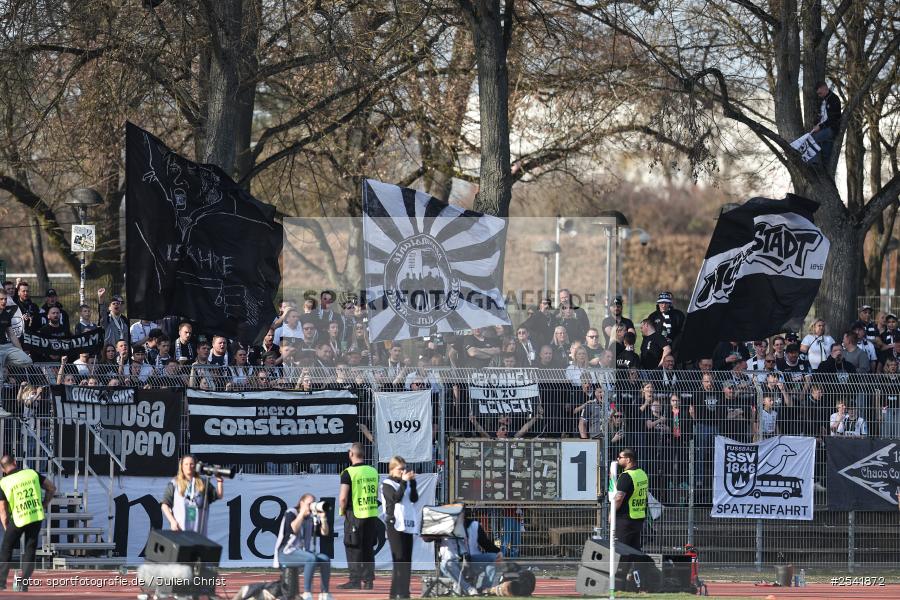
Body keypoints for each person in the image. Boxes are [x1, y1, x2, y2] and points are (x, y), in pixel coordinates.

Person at [0, 454, 56, 591]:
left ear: (3, 469)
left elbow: (3, 508)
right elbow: (51, 488)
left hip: (18, 518)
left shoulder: (4, 482)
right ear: (15, 462)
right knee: (30, 549)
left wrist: (7, 526)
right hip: (35, 515)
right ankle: (23, 584)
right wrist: (44, 504)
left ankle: (1, 583)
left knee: (7, 547)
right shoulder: (32, 473)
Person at [273, 493, 333, 600]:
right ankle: (307, 593)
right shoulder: (291, 513)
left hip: (301, 553)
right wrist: (301, 513)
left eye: (313, 504)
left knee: (325, 559)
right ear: (301, 503)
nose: (311, 506)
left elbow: (325, 533)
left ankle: (325, 594)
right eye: (309, 504)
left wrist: (323, 519)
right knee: (311, 558)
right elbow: (294, 529)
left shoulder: (311, 517)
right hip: (285, 553)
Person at [338, 442, 379, 590]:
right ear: (364, 454)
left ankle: (354, 580)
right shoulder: (373, 471)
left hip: (355, 514)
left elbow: (343, 498)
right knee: (368, 548)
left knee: (353, 547)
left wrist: (342, 512)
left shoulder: (348, 472)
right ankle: (368, 581)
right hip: (371, 513)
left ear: (351, 454)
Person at [439, 510, 502, 596]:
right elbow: (427, 539)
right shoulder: (443, 526)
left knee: (494, 557)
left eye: (460, 512)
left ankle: (484, 589)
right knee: (446, 564)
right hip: (452, 561)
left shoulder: (474, 525)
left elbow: (485, 544)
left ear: (464, 513)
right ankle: (469, 588)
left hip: (472, 559)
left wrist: (498, 552)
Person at [382, 457, 419, 600]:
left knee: (407, 560)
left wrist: (413, 483)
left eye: (405, 468)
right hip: (394, 525)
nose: (403, 471)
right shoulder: (387, 483)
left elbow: (414, 499)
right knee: (399, 559)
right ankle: (395, 593)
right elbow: (395, 498)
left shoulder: (406, 483)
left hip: (407, 524)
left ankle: (403, 593)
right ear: (392, 470)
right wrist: (404, 481)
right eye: (400, 469)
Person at [161, 455, 224, 534]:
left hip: (199, 532)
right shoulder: (174, 483)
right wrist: (172, 521)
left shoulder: (203, 483)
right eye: (186, 464)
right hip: (180, 531)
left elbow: (219, 495)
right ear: (182, 466)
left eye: (191, 464)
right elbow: (165, 505)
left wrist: (219, 481)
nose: (189, 467)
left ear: (196, 466)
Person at [612, 448, 648, 551]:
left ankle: (622, 568)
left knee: (621, 550)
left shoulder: (626, 476)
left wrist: (612, 513)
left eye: (620, 457)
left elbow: (618, 498)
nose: (618, 459)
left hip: (625, 518)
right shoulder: (642, 473)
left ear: (628, 460)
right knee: (634, 550)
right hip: (638, 517)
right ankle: (637, 567)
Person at [0, 288, 33, 373]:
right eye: (1, 299)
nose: (4, 301)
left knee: (27, 361)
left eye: (5, 299)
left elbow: (11, 335)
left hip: (6, 347)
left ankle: (3, 361)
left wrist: (20, 351)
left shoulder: (6, 314)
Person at [811, 80, 841, 162]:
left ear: (824, 88)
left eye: (820, 93)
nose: (819, 95)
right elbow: (821, 116)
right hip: (823, 129)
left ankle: (814, 164)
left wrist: (820, 127)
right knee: (826, 155)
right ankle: (823, 170)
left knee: (812, 140)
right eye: (818, 94)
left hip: (831, 129)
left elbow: (833, 119)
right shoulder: (822, 100)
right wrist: (817, 124)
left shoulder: (834, 99)